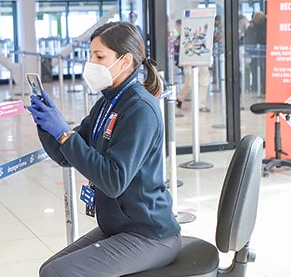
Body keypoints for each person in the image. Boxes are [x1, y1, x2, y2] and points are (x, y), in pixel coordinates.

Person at [29, 22, 181, 277]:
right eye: (91, 56)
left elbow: (113, 180)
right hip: (118, 226)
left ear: (125, 61)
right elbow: (65, 156)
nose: (92, 63)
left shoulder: (140, 108)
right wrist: (46, 126)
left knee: (57, 273)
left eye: (99, 56)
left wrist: (65, 134)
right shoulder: (107, 104)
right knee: (48, 269)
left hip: (150, 234)